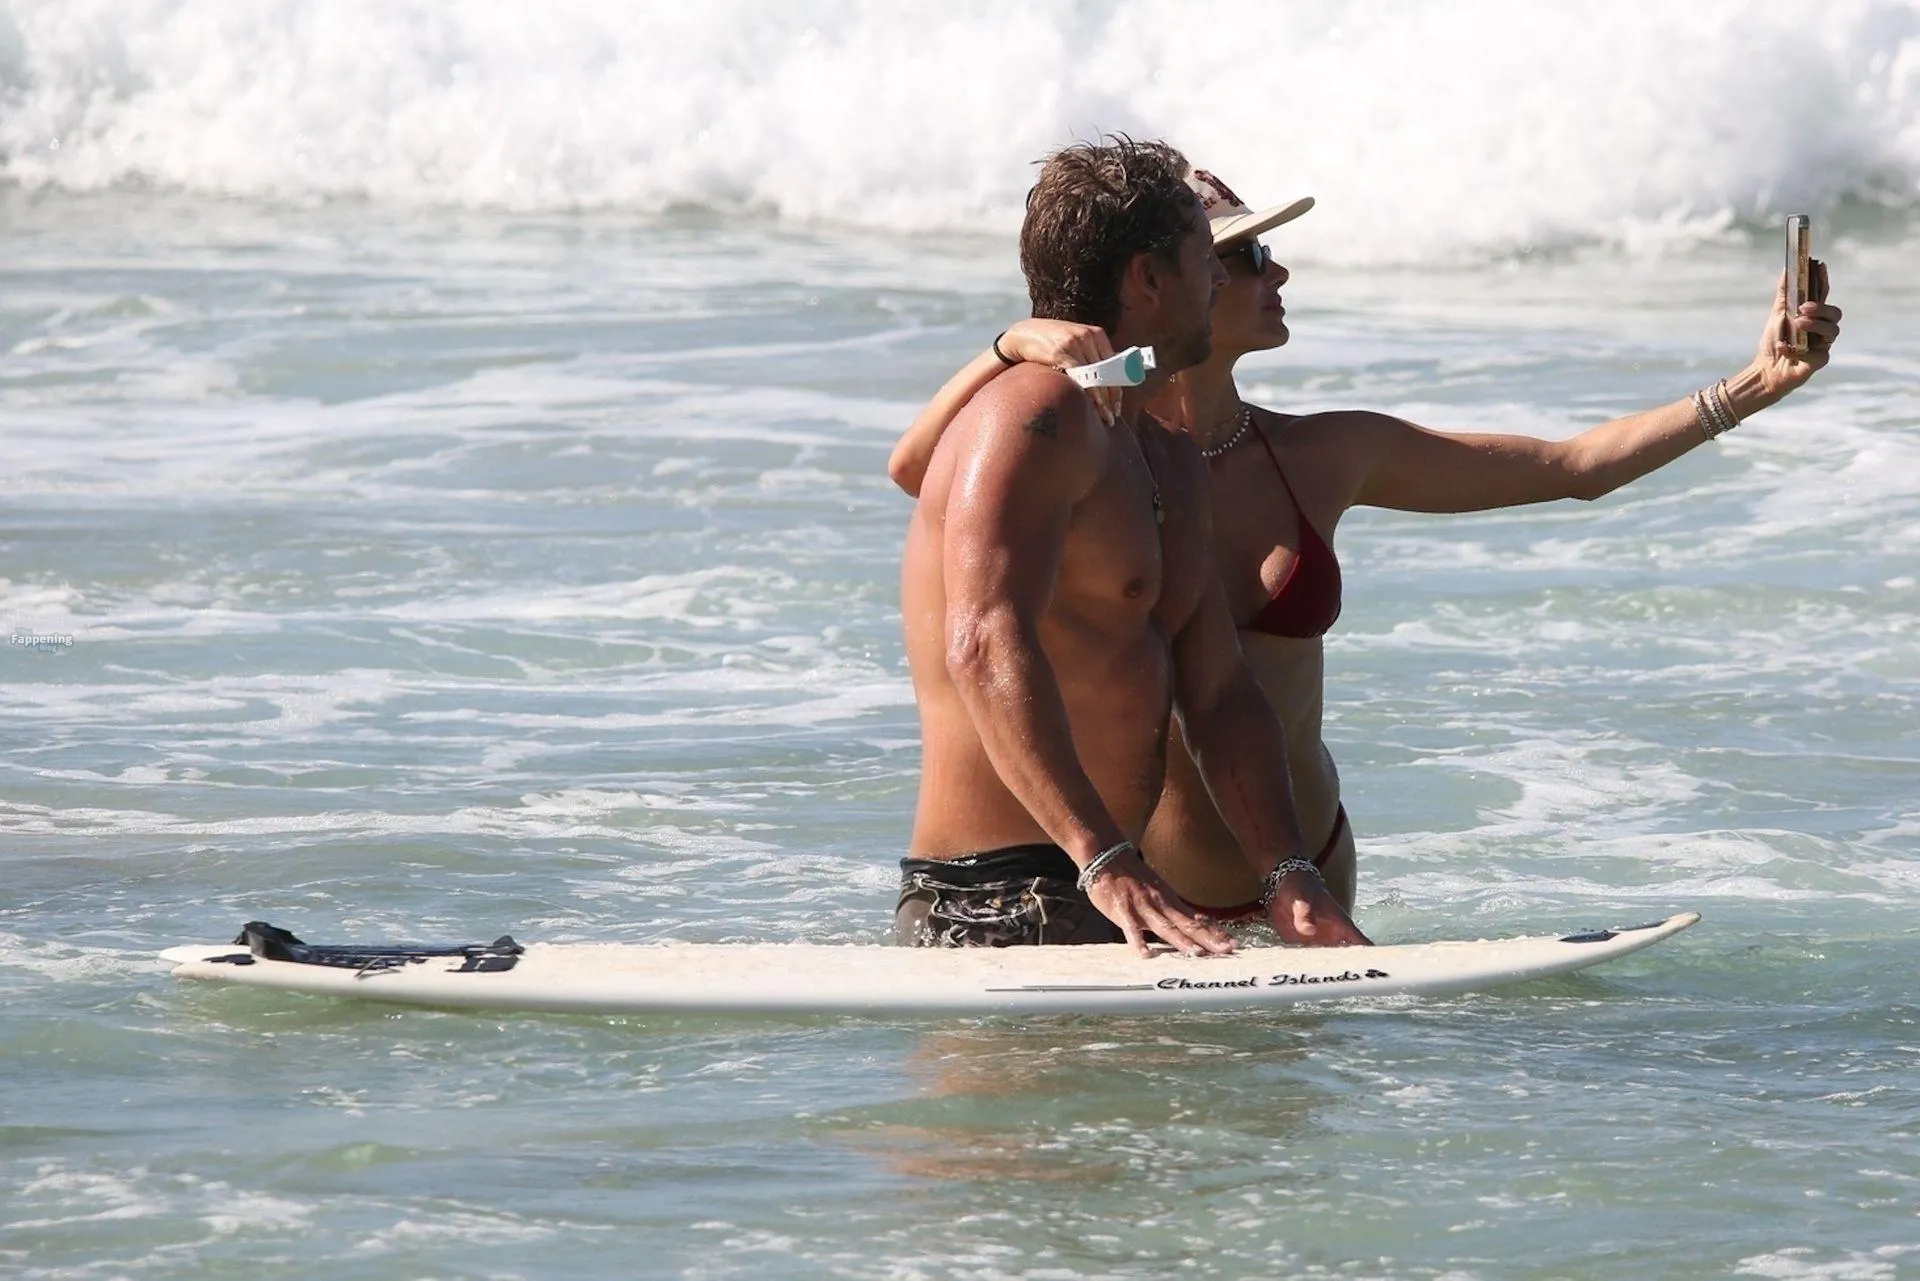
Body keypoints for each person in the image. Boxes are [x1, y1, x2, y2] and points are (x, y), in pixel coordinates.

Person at [891, 165, 1843, 919]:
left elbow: (1570, 466)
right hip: (1141, 890)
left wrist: (1753, 385)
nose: (1277, 273)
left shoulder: (1320, 454)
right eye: (1249, 256)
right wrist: (1009, 346)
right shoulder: (1088, 451)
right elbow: (919, 470)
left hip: (1305, 866)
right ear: (1170, 277)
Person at [895, 137, 1371, 955]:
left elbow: (1219, 692)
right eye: (1204, 258)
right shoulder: (1033, 414)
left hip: (1110, 887)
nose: (1219, 279)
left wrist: (1290, 875)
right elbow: (982, 641)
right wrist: (1104, 858)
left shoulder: (1166, 458)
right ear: (1149, 278)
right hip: (995, 899)